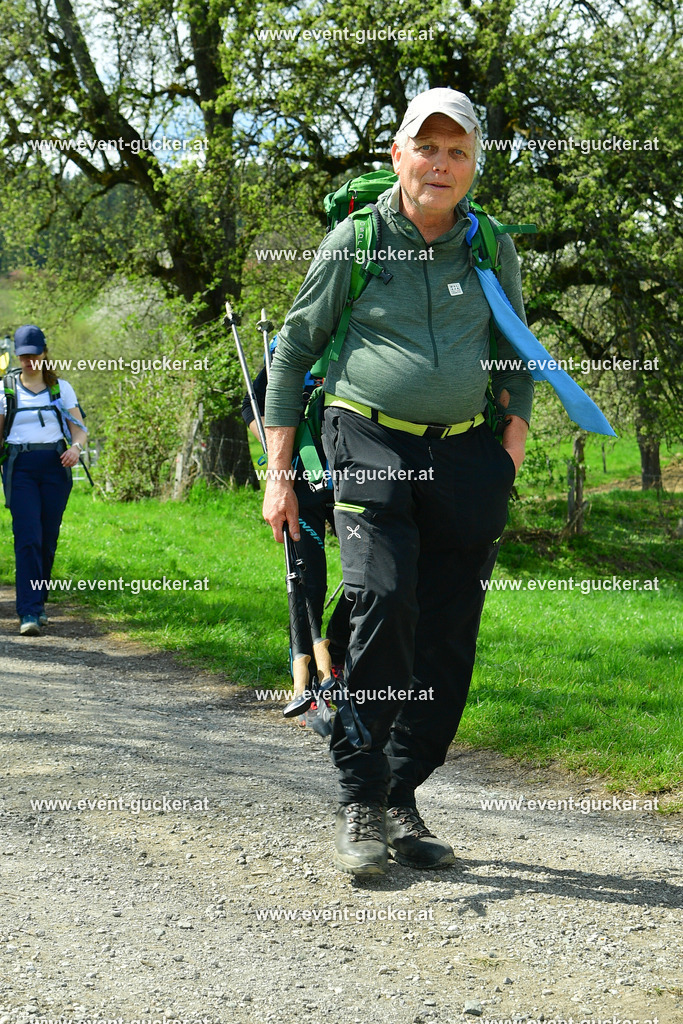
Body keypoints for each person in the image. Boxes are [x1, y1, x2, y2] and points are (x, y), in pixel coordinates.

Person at [263, 87, 534, 875]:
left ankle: (401, 793)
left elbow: (514, 349)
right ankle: (360, 793)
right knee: (383, 595)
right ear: (398, 155)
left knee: (447, 630)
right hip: (366, 435)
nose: (440, 164)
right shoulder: (354, 241)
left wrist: (509, 447)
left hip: (467, 454)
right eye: (427, 147)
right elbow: (293, 351)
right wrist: (280, 475)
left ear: (473, 164)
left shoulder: (489, 245)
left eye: (457, 151)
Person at [241, 347, 351, 733]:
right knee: (308, 584)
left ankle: (335, 655)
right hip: (301, 485)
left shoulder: (357, 337)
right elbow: (251, 407)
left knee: (369, 579)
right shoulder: (284, 348)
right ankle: (306, 686)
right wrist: (278, 451)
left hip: (353, 480)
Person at [0, 325, 87, 636]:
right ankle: (29, 611)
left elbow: (79, 430)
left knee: (47, 539)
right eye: (24, 356)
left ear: (44, 353)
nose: (29, 361)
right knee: (28, 537)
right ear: (17, 356)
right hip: (19, 467)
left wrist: (75, 449)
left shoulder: (61, 389)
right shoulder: (5, 390)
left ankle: (38, 601)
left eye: (34, 355)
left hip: (55, 466)